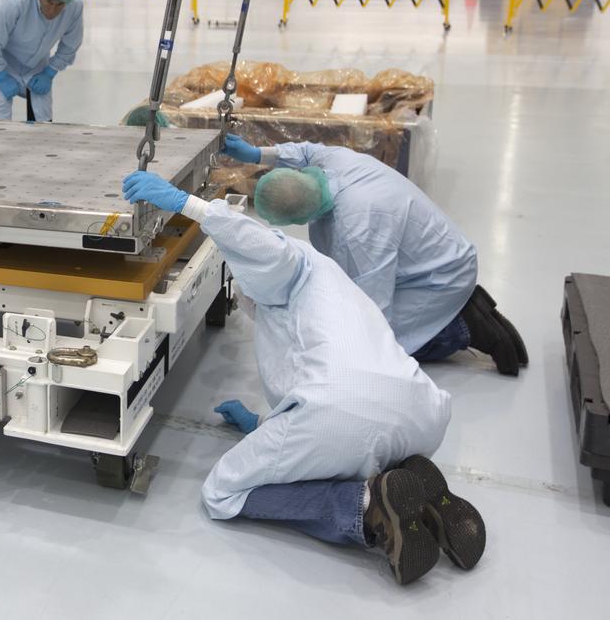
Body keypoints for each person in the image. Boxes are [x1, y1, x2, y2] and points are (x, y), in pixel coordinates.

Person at [122, 170, 486, 585]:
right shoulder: (337, 286)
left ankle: (366, 507)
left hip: (343, 414)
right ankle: (410, 476)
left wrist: (187, 205)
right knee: (350, 440)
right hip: (423, 415)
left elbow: (263, 249)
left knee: (222, 494)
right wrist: (259, 424)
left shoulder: (294, 265)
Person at [222, 134, 528, 375]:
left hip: (441, 274)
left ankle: (463, 326)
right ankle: (457, 311)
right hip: (432, 250)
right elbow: (305, 150)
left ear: (298, 220)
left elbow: (372, 312)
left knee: (376, 346)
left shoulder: (358, 230)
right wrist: (258, 154)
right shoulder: (336, 162)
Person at [0, 0, 83, 122]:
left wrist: (50, 72)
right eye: (49, 2)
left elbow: (71, 44)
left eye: (59, 4)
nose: (52, 10)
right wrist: (0, 74)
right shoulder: (14, 0)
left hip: (37, 57)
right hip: (0, 53)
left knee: (43, 116)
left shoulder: (74, 5)